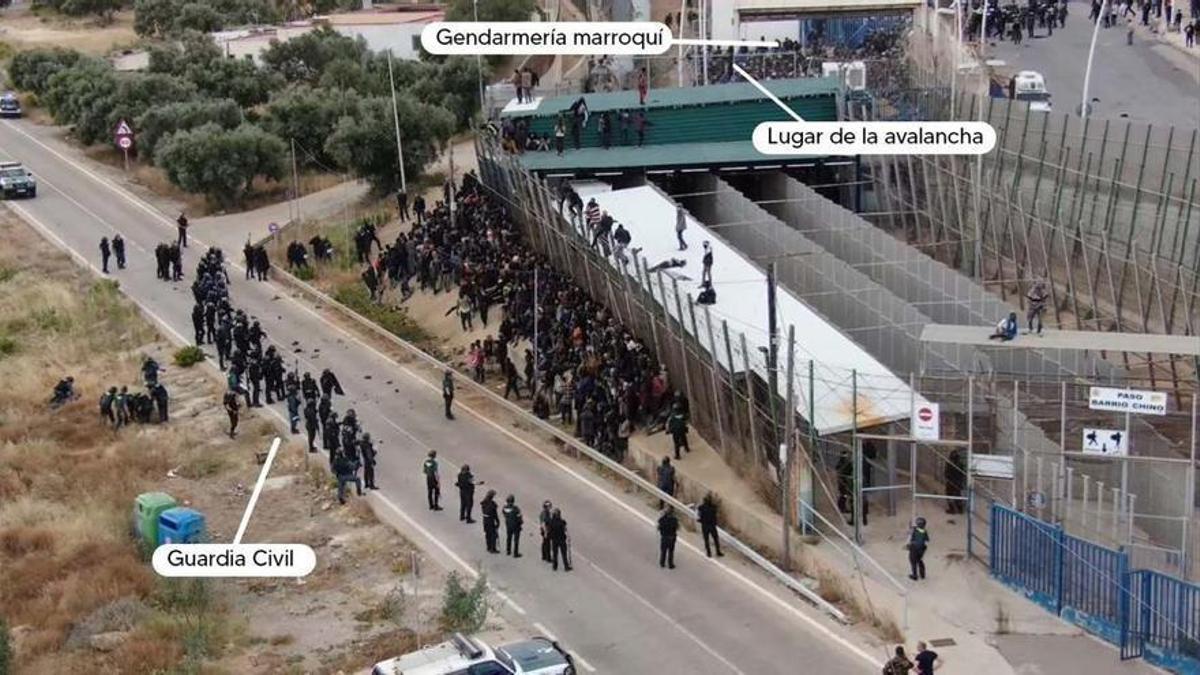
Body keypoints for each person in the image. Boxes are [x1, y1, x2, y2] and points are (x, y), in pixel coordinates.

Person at [698, 492, 723, 557]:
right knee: (715, 539)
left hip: (705, 525)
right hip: (712, 525)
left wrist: (700, 519)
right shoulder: (713, 507)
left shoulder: (701, 507)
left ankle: (709, 553)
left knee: (706, 539)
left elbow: (699, 515)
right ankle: (718, 551)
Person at [944, 449, 966, 514]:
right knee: (958, 495)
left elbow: (946, 473)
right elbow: (962, 474)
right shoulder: (960, 464)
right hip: (958, 482)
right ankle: (960, 509)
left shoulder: (949, 463)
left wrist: (947, 478)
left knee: (949, 495)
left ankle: (952, 509)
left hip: (951, 482)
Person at [481, 489, 500, 554]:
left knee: (487, 534)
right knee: (493, 535)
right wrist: (497, 521)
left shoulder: (483, 503)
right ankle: (493, 548)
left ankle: (488, 547)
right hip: (491, 520)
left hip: (485, 520)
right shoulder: (493, 504)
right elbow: (495, 514)